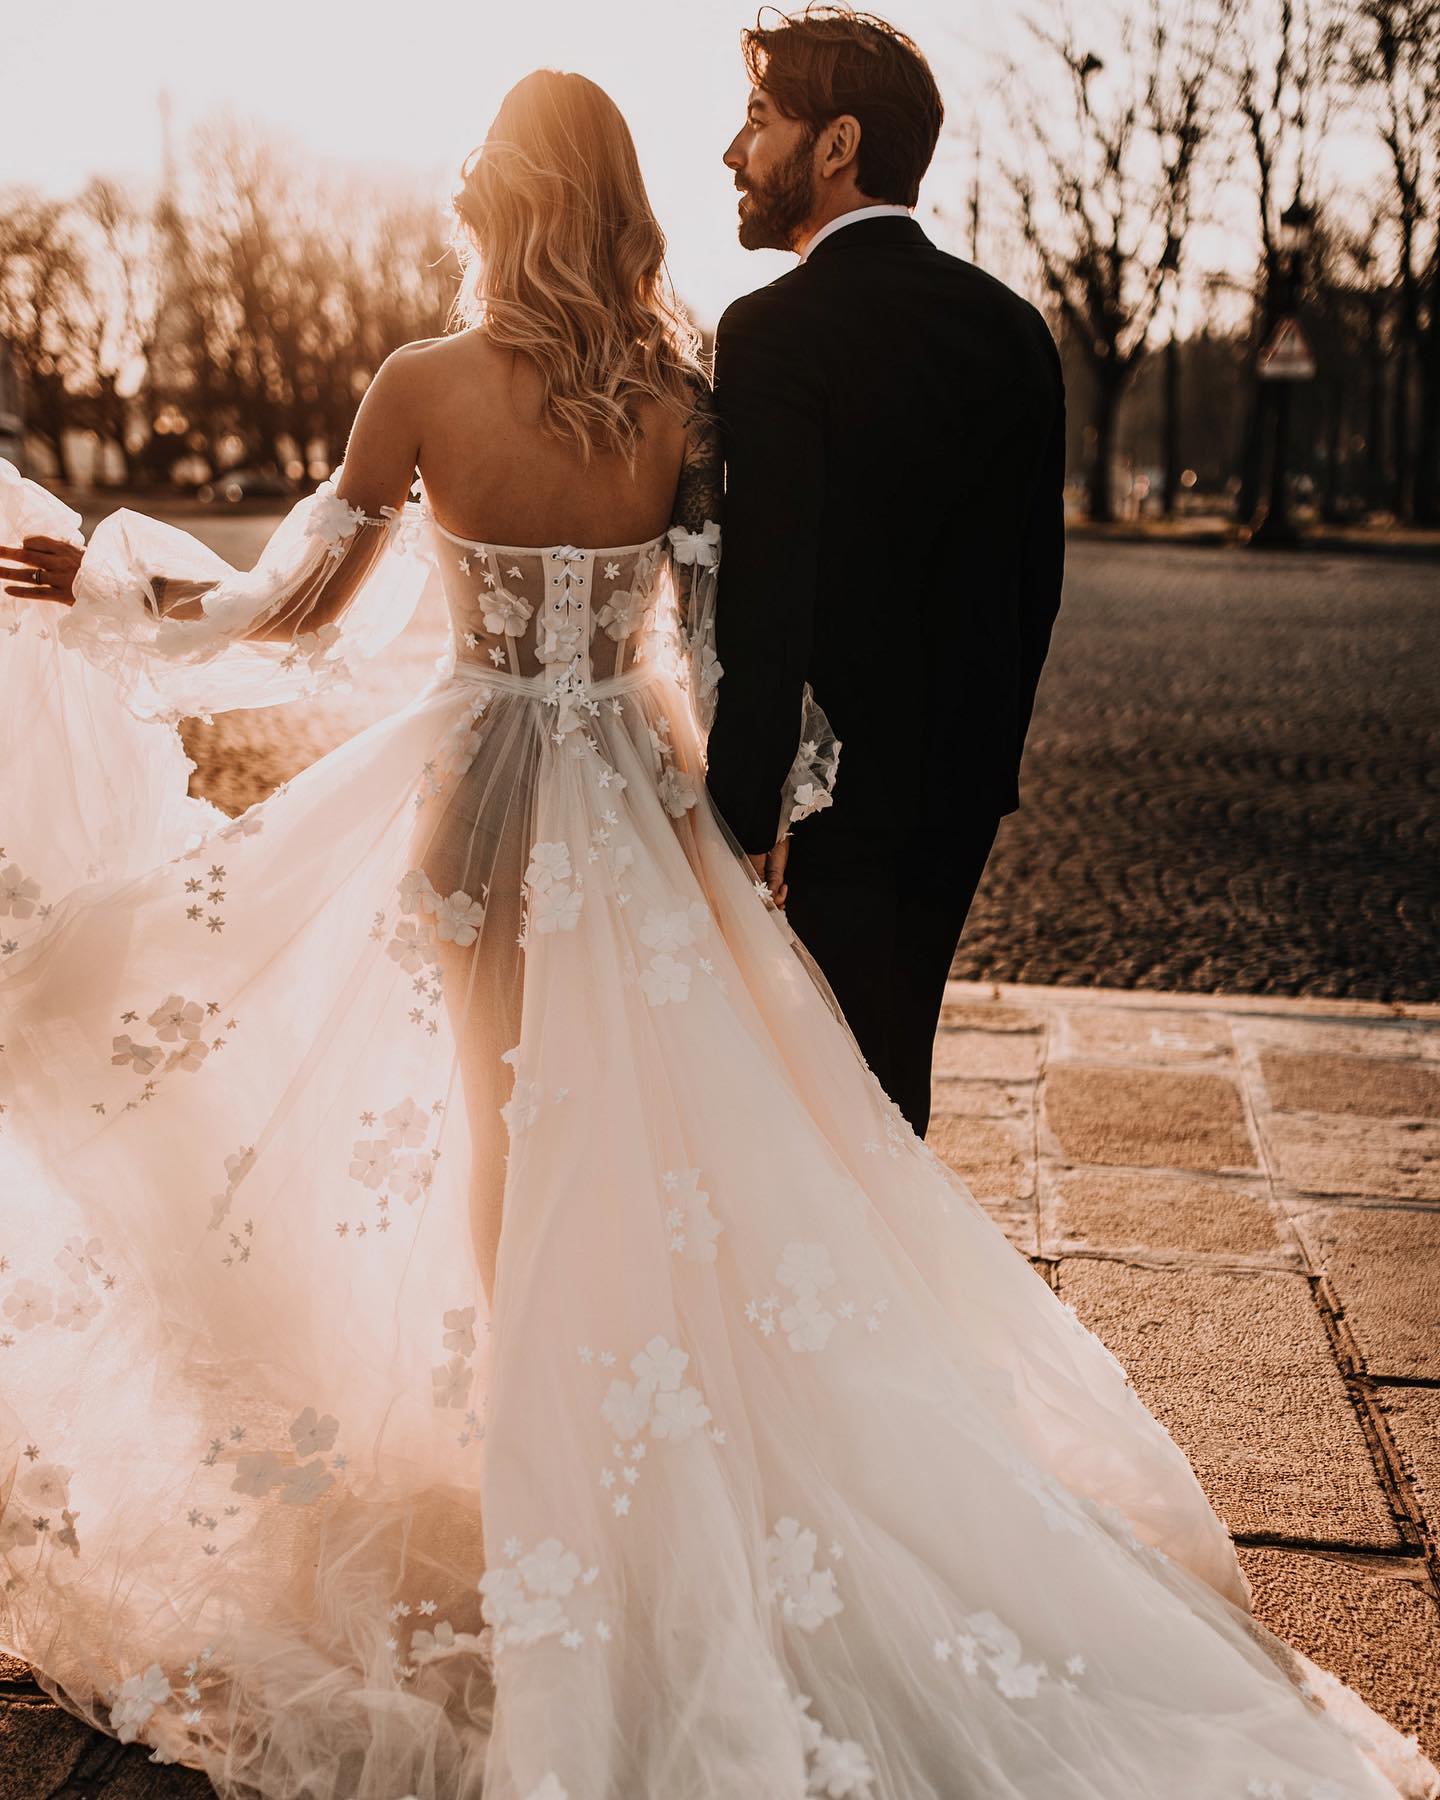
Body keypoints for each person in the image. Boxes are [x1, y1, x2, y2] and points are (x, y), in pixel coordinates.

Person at [0, 60, 1433, 1800]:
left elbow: (292, 610)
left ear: (496, 201)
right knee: (671, 1139)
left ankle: (537, 1459)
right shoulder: (684, 398)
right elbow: (729, 639)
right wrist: (747, 819)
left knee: (500, 1143)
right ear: (617, 205)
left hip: (477, 803)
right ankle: (634, 1456)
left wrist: (109, 586)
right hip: (638, 806)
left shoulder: (422, 386)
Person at [707, 7, 1066, 1135]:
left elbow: (770, 595)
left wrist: (738, 811)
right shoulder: (1014, 328)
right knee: (891, 1079)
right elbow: (1033, 583)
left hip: (827, 802)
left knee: (810, 1107)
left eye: (759, 119)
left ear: (836, 145)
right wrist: (986, 760)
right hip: (959, 786)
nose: (733, 151)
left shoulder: (773, 330)